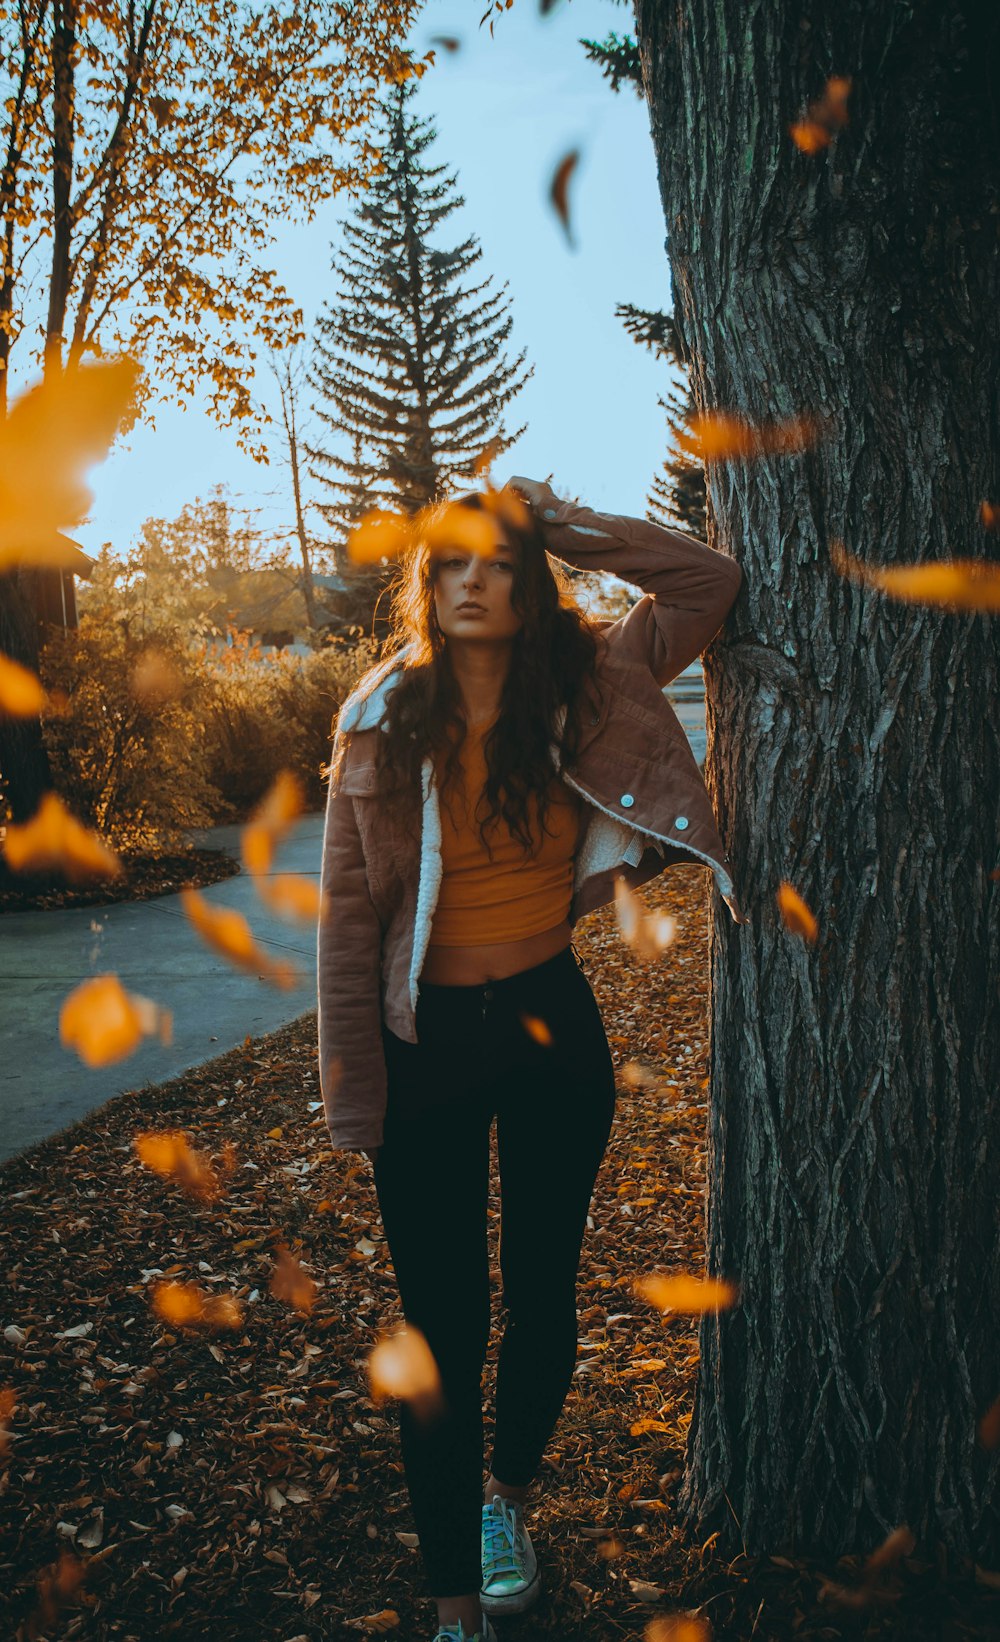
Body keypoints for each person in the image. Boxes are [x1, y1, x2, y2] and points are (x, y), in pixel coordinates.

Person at [317, 475, 746, 1642]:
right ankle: (456, 1609)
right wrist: (354, 1087)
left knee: (543, 1297)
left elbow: (709, 581)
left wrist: (559, 523)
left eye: (496, 562)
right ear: (425, 581)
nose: (470, 581)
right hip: (428, 1049)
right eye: (450, 562)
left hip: (554, 1027)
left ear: (526, 580)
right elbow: (350, 920)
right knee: (441, 1328)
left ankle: (505, 1501)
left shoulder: (595, 681)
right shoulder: (375, 718)